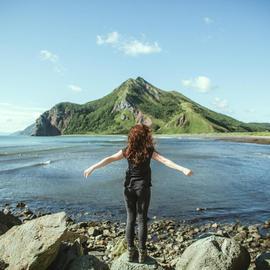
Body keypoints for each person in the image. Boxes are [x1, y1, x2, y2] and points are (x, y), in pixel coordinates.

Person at [83, 123, 193, 263]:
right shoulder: (148, 151)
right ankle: (142, 252)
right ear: (145, 137)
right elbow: (165, 161)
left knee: (130, 219)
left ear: (132, 137)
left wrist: (92, 167)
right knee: (141, 220)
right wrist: (182, 169)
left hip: (128, 188)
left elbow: (109, 159)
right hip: (143, 189)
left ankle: (130, 251)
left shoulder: (127, 151)